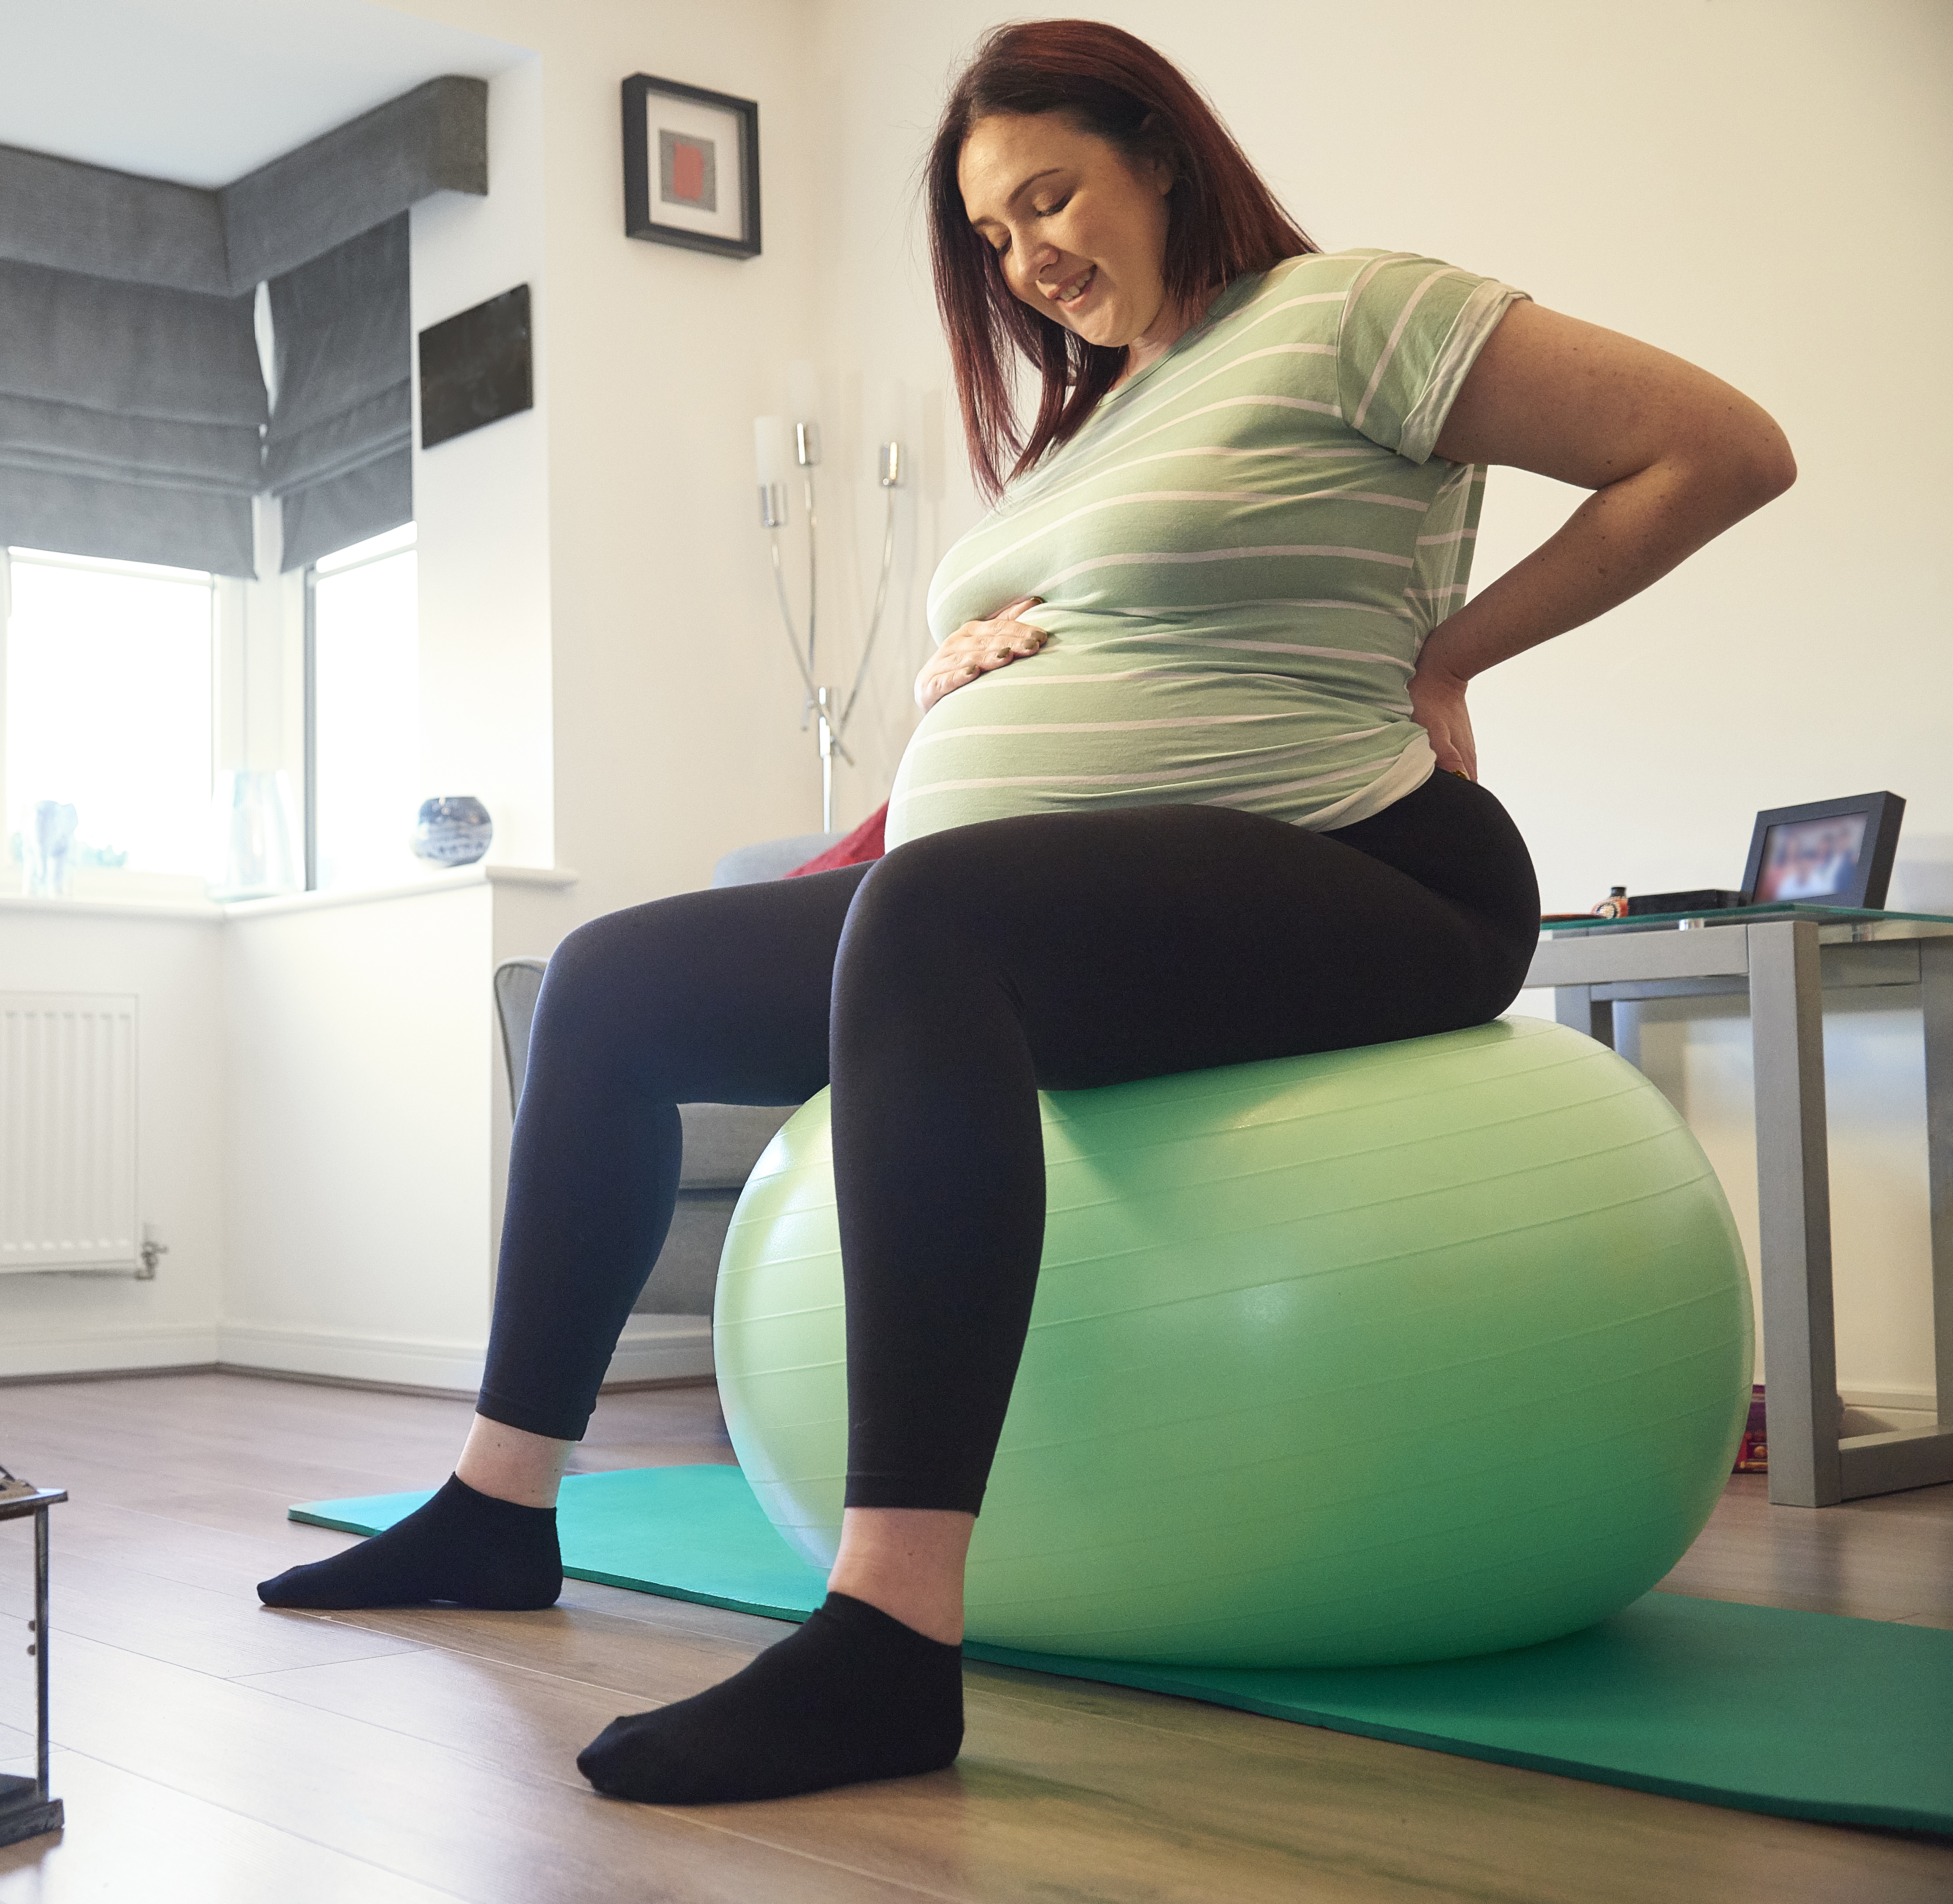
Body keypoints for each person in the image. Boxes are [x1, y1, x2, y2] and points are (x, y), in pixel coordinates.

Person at [255, 18, 1796, 1806]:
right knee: (610, 978)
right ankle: (494, 1505)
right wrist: (953, 684)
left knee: (936, 924)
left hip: (1365, 866)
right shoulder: (1088, 421)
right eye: (991, 237)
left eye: (1048, 196)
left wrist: (1451, 651)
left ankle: (892, 1641)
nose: (1026, 256)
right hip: (1051, 889)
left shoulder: (1351, 313)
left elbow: (1716, 449)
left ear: (1158, 150)